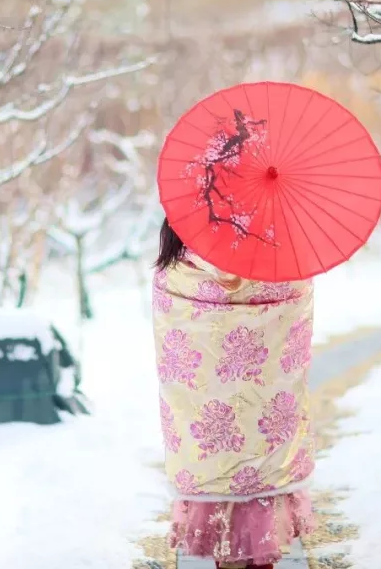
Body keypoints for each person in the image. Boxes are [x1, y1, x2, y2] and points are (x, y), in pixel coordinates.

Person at [152, 219, 315, 569]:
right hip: (264, 438)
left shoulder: (179, 273)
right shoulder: (278, 263)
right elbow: (296, 301)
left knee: (226, 545)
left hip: (210, 441)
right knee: (259, 540)